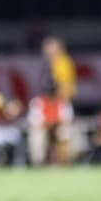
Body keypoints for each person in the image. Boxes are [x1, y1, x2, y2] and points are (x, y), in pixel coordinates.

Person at [28, 37, 76, 165]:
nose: (47, 51)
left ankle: (63, 162)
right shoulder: (48, 63)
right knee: (39, 135)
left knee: (63, 135)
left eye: (50, 48)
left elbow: (64, 88)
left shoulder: (63, 63)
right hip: (46, 103)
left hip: (58, 103)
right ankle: (41, 162)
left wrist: (58, 109)